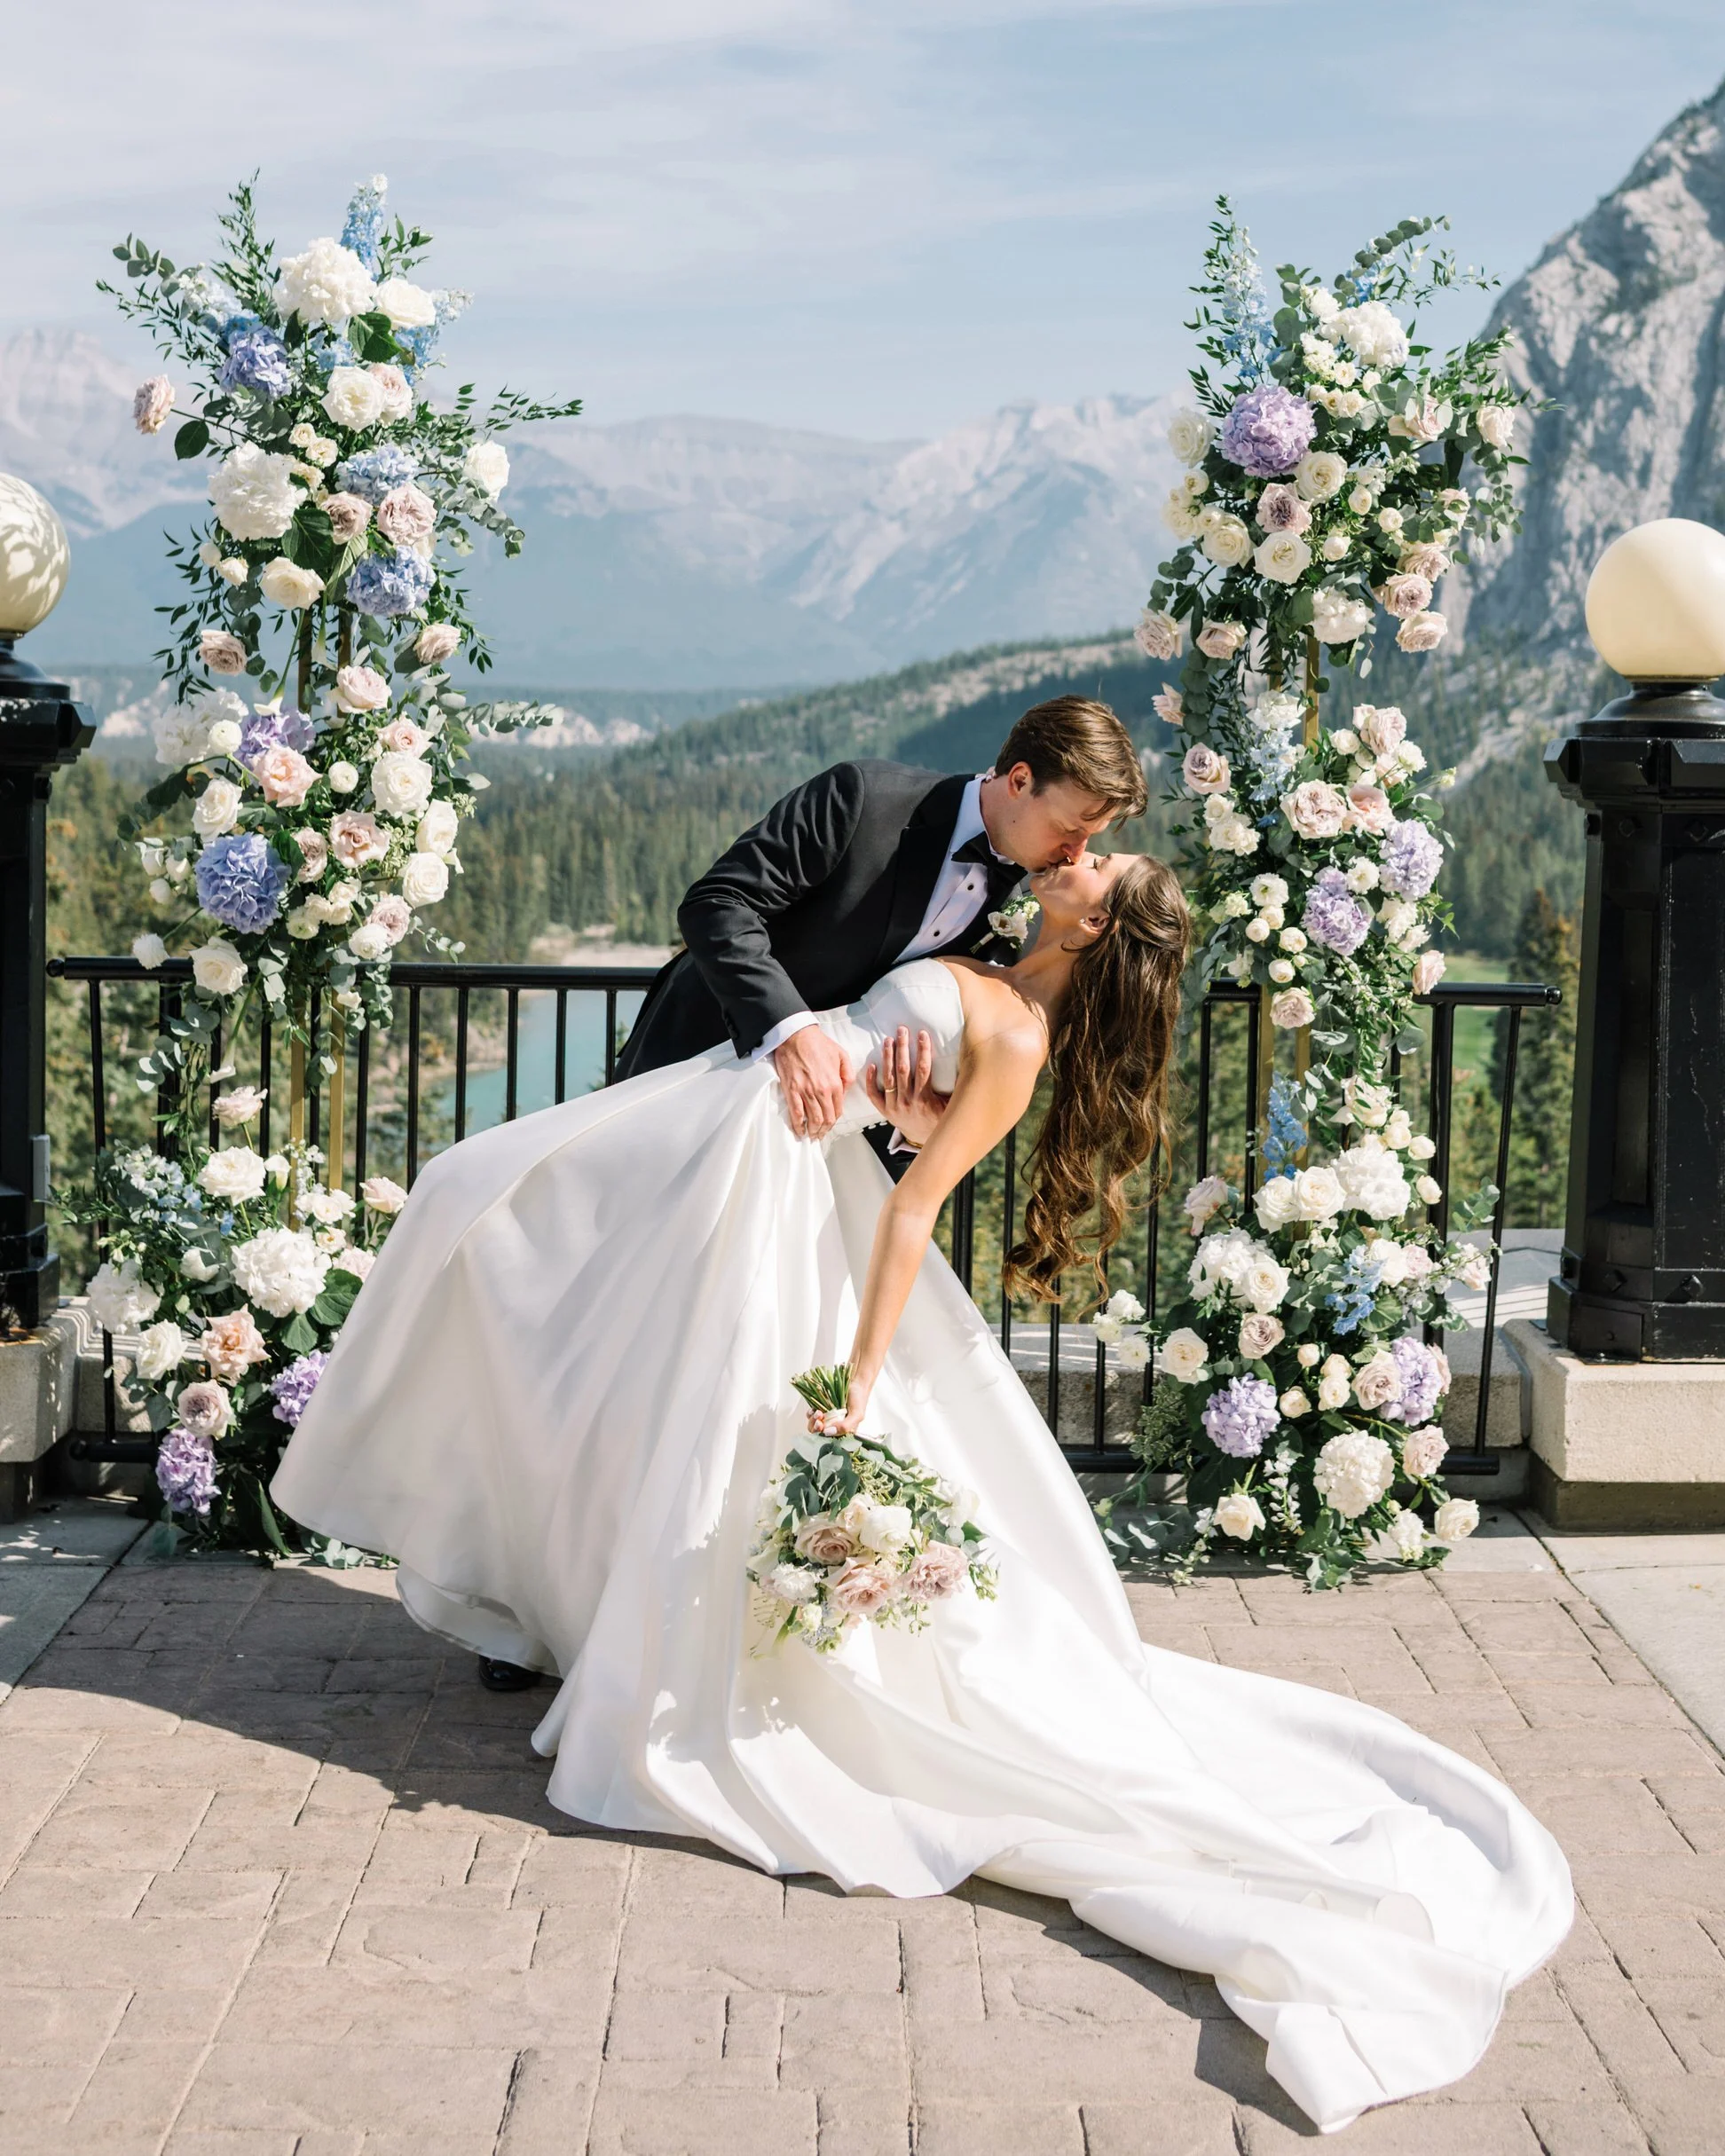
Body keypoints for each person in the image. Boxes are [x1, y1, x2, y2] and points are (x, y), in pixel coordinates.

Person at [271, 844, 1571, 2137]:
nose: (1084, 854)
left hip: (773, 1185)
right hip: (741, 1131)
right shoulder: (1000, 957)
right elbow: (883, 1086)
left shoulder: (1017, 1039)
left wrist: (854, 1374)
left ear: (1095, 925)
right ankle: (528, 1570)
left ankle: (575, 1604)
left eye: (1100, 865)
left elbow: (912, 1217)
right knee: (509, 1243)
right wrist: (894, 1116)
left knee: (503, 1230)